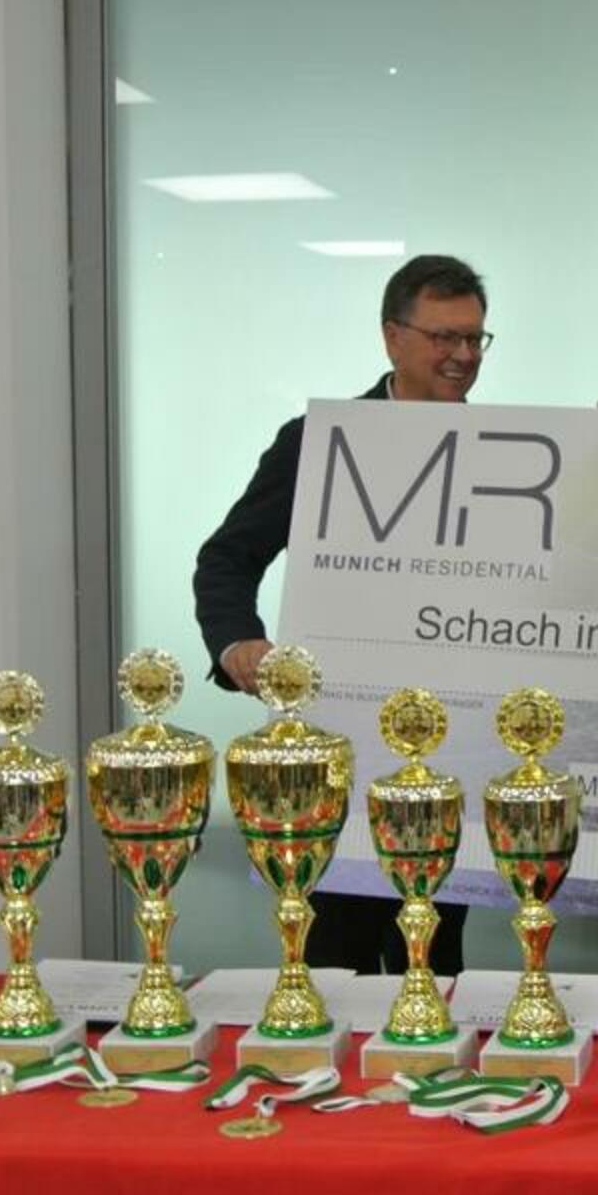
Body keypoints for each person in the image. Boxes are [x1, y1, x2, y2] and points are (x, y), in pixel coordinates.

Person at [193, 254, 492, 974]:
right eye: (443, 337)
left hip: (454, 762)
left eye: (474, 338)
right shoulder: (318, 443)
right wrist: (240, 645)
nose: (462, 355)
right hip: (340, 765)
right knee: (336, 970)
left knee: (435, 970)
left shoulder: (510, 452)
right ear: (392, 337)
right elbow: (226, 559)